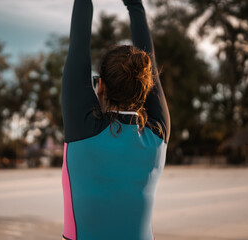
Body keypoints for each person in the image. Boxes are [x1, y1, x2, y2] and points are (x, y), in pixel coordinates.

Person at [61, 0, 170, 239]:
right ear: (145, 89)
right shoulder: (157, 137)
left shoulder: (83, 129)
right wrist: (135, 7)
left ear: (100, 86)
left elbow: (78, 45)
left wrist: (135, 6)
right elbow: (78, 45)